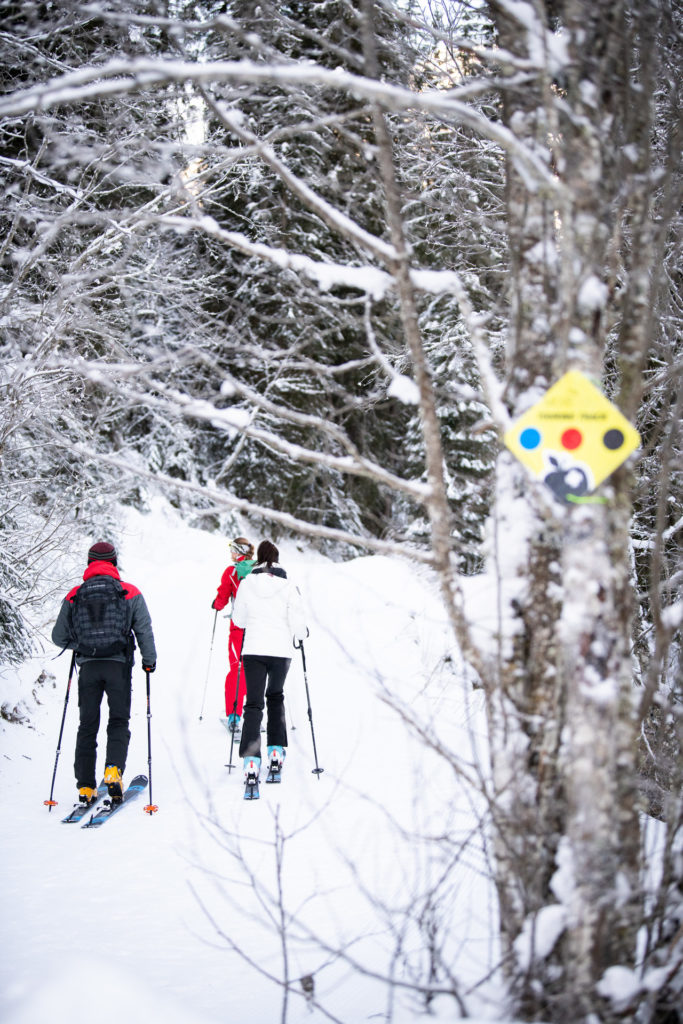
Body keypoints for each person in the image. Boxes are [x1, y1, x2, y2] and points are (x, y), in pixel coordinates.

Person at [51, 541, 157, 805]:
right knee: (118, 721)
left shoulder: (75, 594)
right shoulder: (128, 592)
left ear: (89, 562)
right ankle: (113, 771)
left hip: (88, 667)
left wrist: (83, 646)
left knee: (87, 725)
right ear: (114, 561)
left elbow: (58, 636)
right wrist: (149, 661)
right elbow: (143, 629)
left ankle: (86, 787)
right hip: (118, 666)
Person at [231, 539, 307, 783]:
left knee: (253, 704)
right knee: (275, 697)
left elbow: (239, 620)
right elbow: (298, 623)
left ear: (259, 559)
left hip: (253, 650)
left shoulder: (247, 583)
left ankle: (251, 760)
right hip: (280, 652)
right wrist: (302, 634)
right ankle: (276, 750)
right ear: (276, 559)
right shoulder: (288, 585)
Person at [211, 536, 255, 732]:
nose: (230, 554)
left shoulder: (232, 571)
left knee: (237, 670)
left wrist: (217, 604)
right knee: (255, 670)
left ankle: (234, 716)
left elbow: (223, 595)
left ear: (239, 552)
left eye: (232, 550)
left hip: (238, 629)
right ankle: (255, 714)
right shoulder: (258, 570)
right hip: (258, 629)